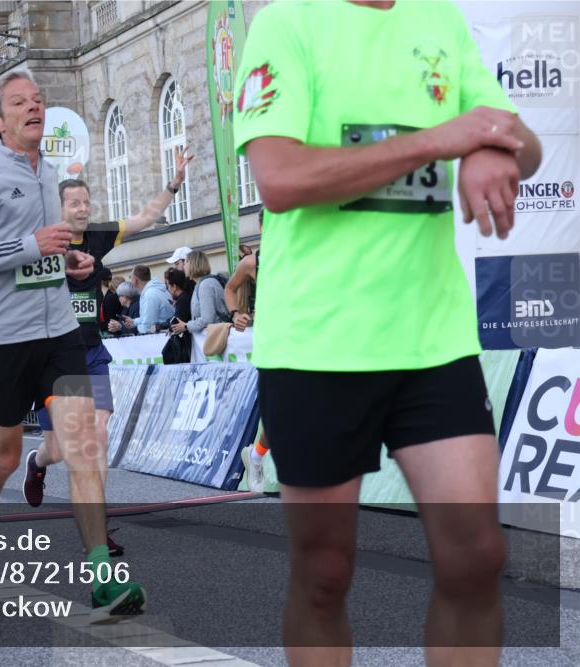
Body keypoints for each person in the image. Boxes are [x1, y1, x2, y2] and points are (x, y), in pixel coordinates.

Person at [234, 1, 541, 664]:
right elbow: (281, 177)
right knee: (324, 572)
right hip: (317, 345)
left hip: (433, 340)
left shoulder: (440, 18)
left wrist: (491, 147)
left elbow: (523, 140)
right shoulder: (286, 21)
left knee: (477, 556)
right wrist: (438, 141)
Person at [0, 68, 145, 623]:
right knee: (3, 456)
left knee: (82, 447)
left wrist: (67, 261)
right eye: (19, 103)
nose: (34, 107)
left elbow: (45, 258)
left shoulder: (51, 175)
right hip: (5, 343)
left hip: (60, 339)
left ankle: (103, 576)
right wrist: (29, 246)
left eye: (38, 100)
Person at [23, 147, 194, 555]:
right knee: (61, 450)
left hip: (92, 353)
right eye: (73, 202)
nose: (81, 208)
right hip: (53, 359)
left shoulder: (100, 234)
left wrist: (173, 184)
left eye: (86, 201)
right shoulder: (46, 242)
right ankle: (37, 463)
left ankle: (99, 525)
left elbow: (144, 218)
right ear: (58, 208)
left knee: (97, 435)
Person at [225, 211, 264, 492]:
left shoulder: (306, 253)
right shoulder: (253, 262)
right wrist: (235, 313)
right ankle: (256, 456)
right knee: (278, 410)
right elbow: (230, 288)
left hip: (307, 335)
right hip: (272, 339)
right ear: (261, 228)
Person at [171, 250, 229, 335]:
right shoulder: (201, 284)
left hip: (217, 337)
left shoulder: (205, 285)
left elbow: (207, 319)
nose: (184, 265)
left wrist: (186, 326)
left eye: (186, 262)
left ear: (193, 264)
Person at [128, 265, 173, 334]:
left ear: (135, 279)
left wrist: (135, 328)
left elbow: (147, 327)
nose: (130, 281)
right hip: (166, 335)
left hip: (161, 338)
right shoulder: (157, 289)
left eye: (130, 277)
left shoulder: (150, 295)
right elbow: (149, 318)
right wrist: (134, 322)